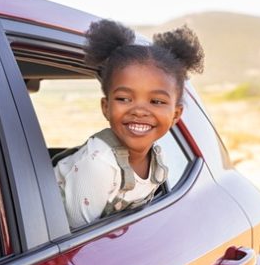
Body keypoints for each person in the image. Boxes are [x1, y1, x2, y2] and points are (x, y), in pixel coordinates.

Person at [53, 19, 204, 228]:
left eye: (156, 101)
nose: (139, 111)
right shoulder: (98, 165)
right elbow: (77, 246)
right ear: (106, 107)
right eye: (124, 99)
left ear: (176, 114)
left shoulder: (157, 159)